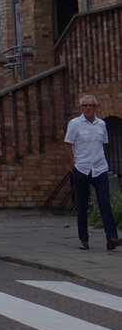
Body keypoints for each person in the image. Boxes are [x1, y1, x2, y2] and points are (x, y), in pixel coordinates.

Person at [64, 94, 120, 251]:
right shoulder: (74, 124)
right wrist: (74, 165)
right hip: (81, 168)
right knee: (82, 204)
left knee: (105, 202)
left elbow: (104, 144)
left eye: (91, 105)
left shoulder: (101, 124)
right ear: (81, 108)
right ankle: (83, 239)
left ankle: (112, 238)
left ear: (95, 107)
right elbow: (68, 145)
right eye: (85, 105)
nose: (88, 108)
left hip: (100, 168)